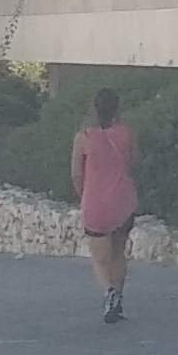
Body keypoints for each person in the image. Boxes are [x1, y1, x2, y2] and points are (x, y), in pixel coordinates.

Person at [68, 88, 137, 323]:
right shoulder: (126, 133)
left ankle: (109, 292)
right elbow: (134, 162)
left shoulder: (84, 138)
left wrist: (84, 193)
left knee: (99, 258)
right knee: (118, 253)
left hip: (95, 203)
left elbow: (76, 173)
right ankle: (118, 297)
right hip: (122, 201)